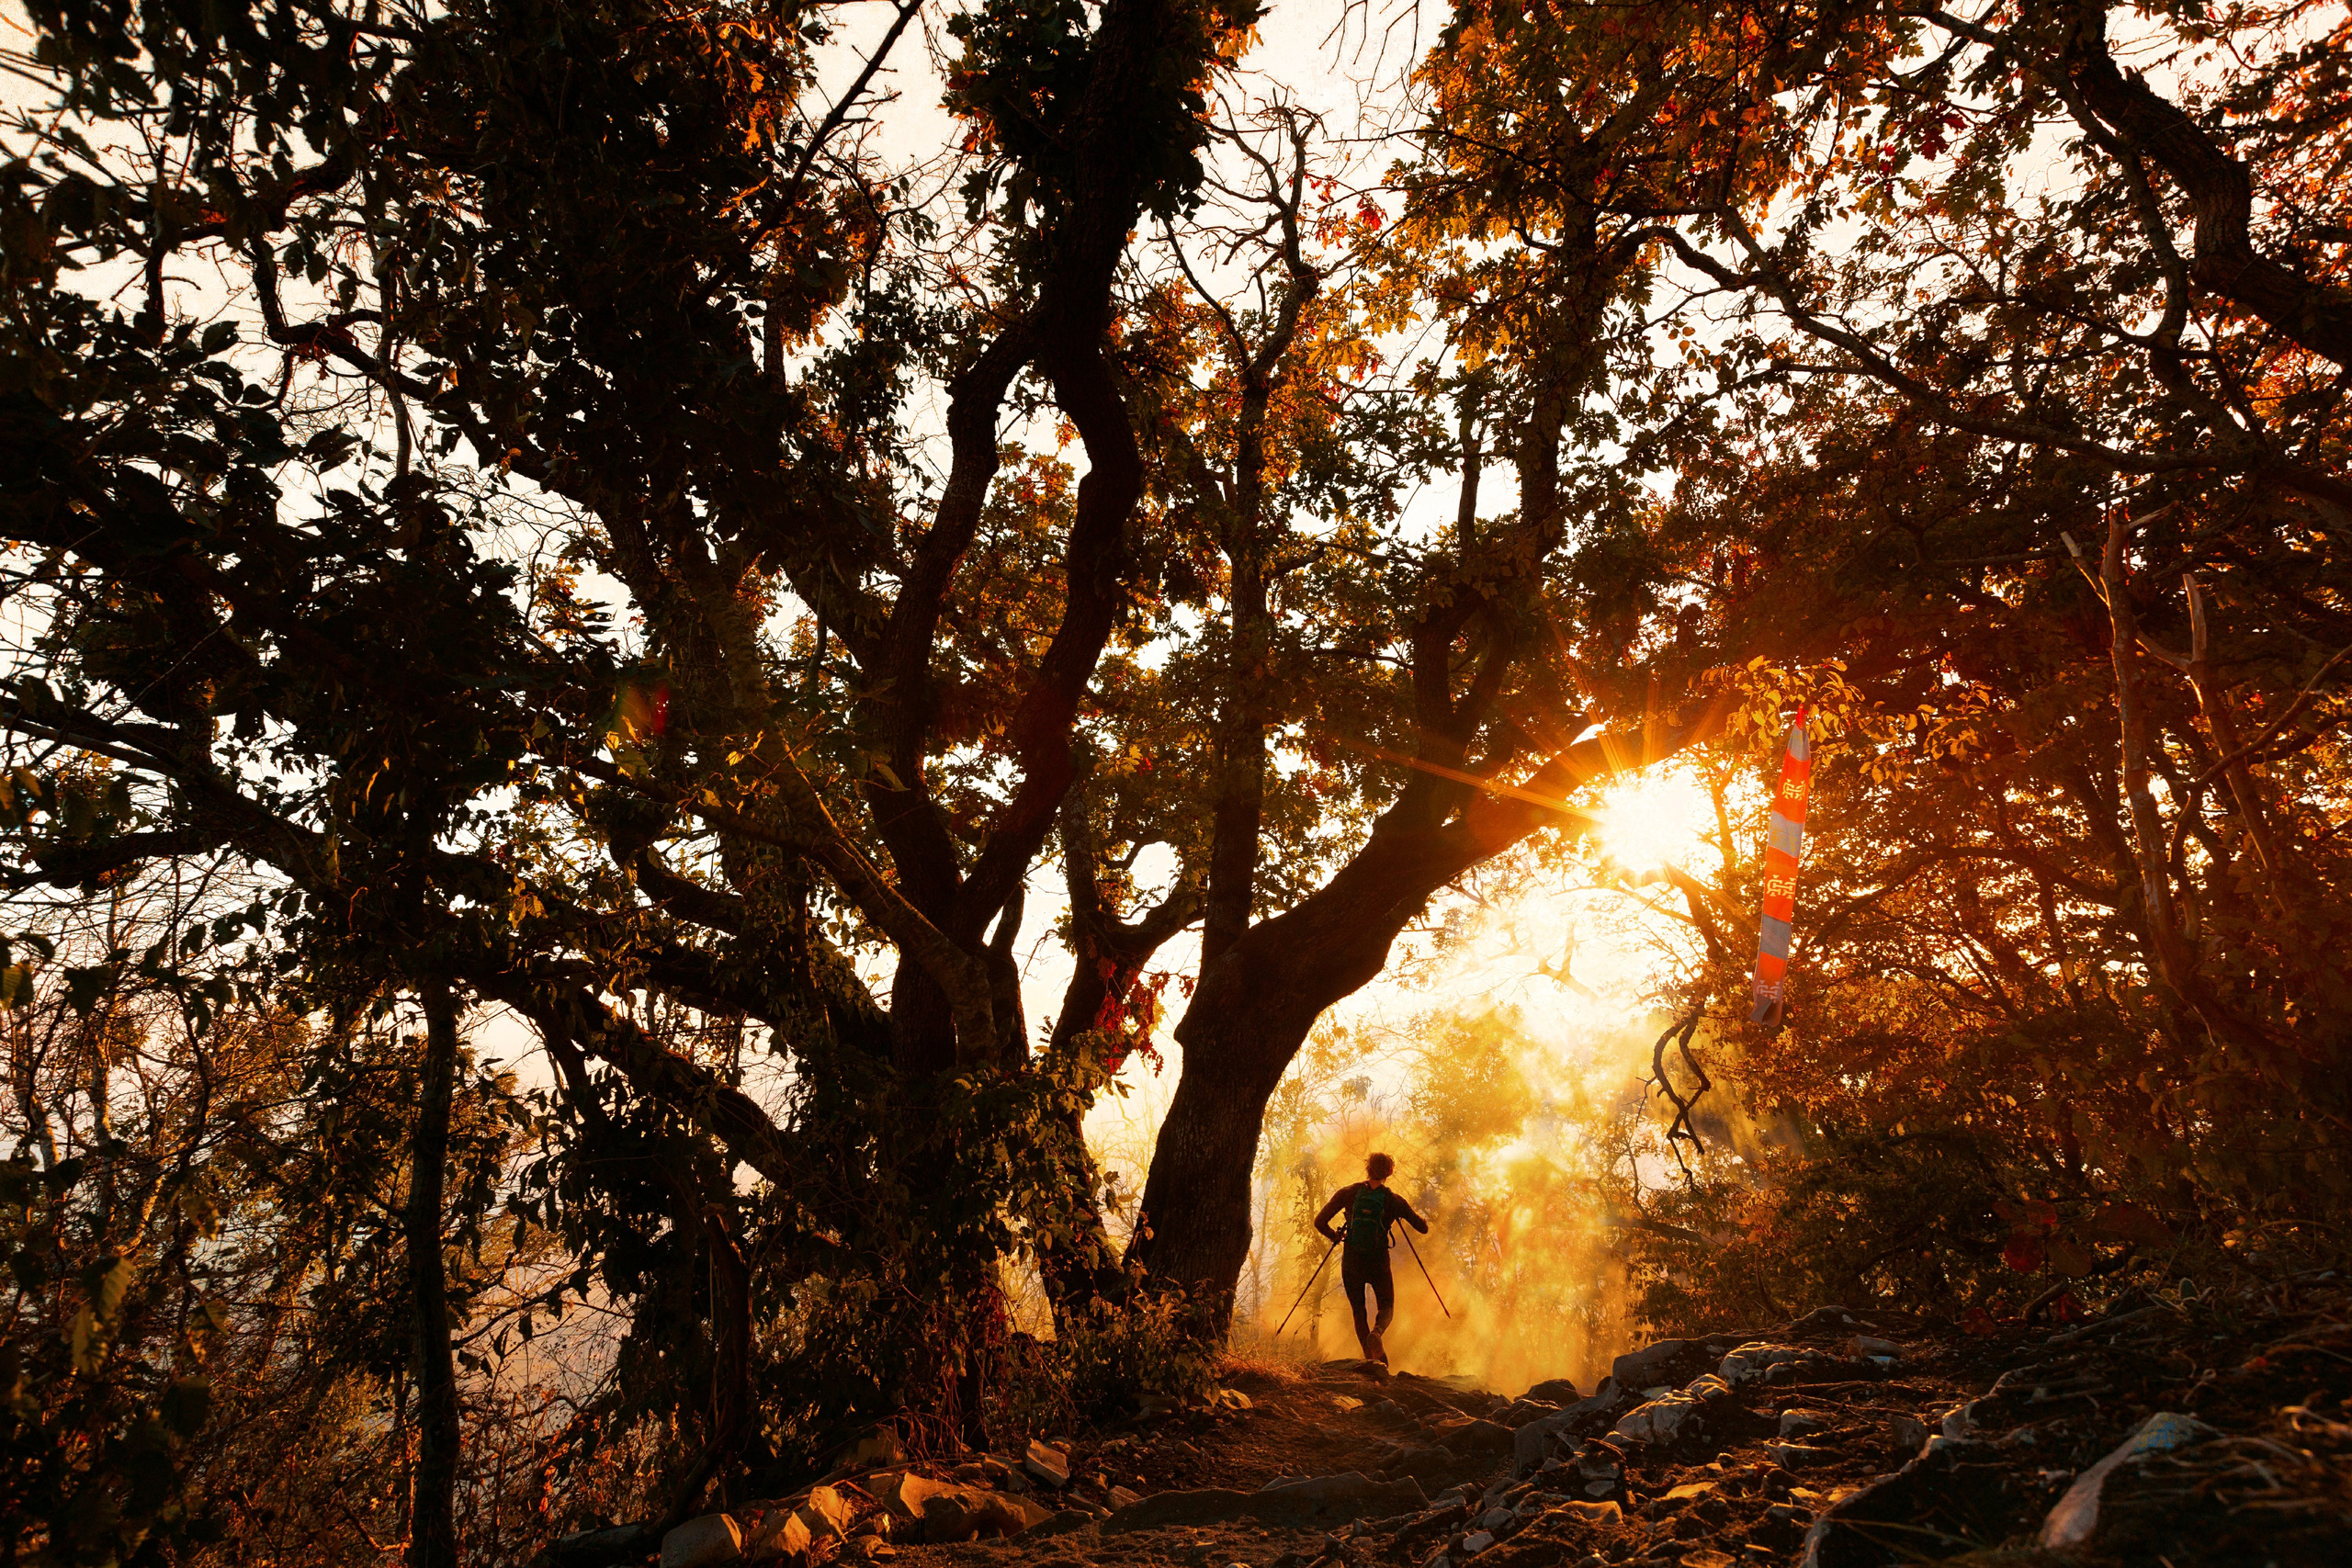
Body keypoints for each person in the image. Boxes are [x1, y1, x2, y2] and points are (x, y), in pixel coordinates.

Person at [1313, 1152, 1430, 1367]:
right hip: (1378, 1261)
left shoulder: (1349, 1192)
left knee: (1359, 1311)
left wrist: (1335, 1236)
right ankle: (1377, 1333)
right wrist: (1406, 1214)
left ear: (1368, 1168)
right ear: (1389, 1172)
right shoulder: (1393, 1199)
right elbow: (1423, 1228)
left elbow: (1319, 1221)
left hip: (1352, 1260)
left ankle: (1370, 1360)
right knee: (1386, 1306)